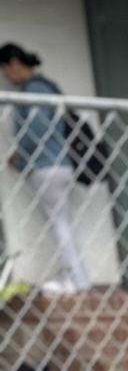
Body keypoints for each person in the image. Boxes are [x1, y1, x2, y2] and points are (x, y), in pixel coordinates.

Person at [1, 42, 89, 293]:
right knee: (61, 222)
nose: (7, 77)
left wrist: (21, 156)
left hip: (47, 165)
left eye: (5, 71)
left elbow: (37, 129)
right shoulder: (48, 88)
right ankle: (72, 275)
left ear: (15, 64)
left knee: (59, 223)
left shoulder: (34, 90)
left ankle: (74, 279)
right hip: (59, 162)